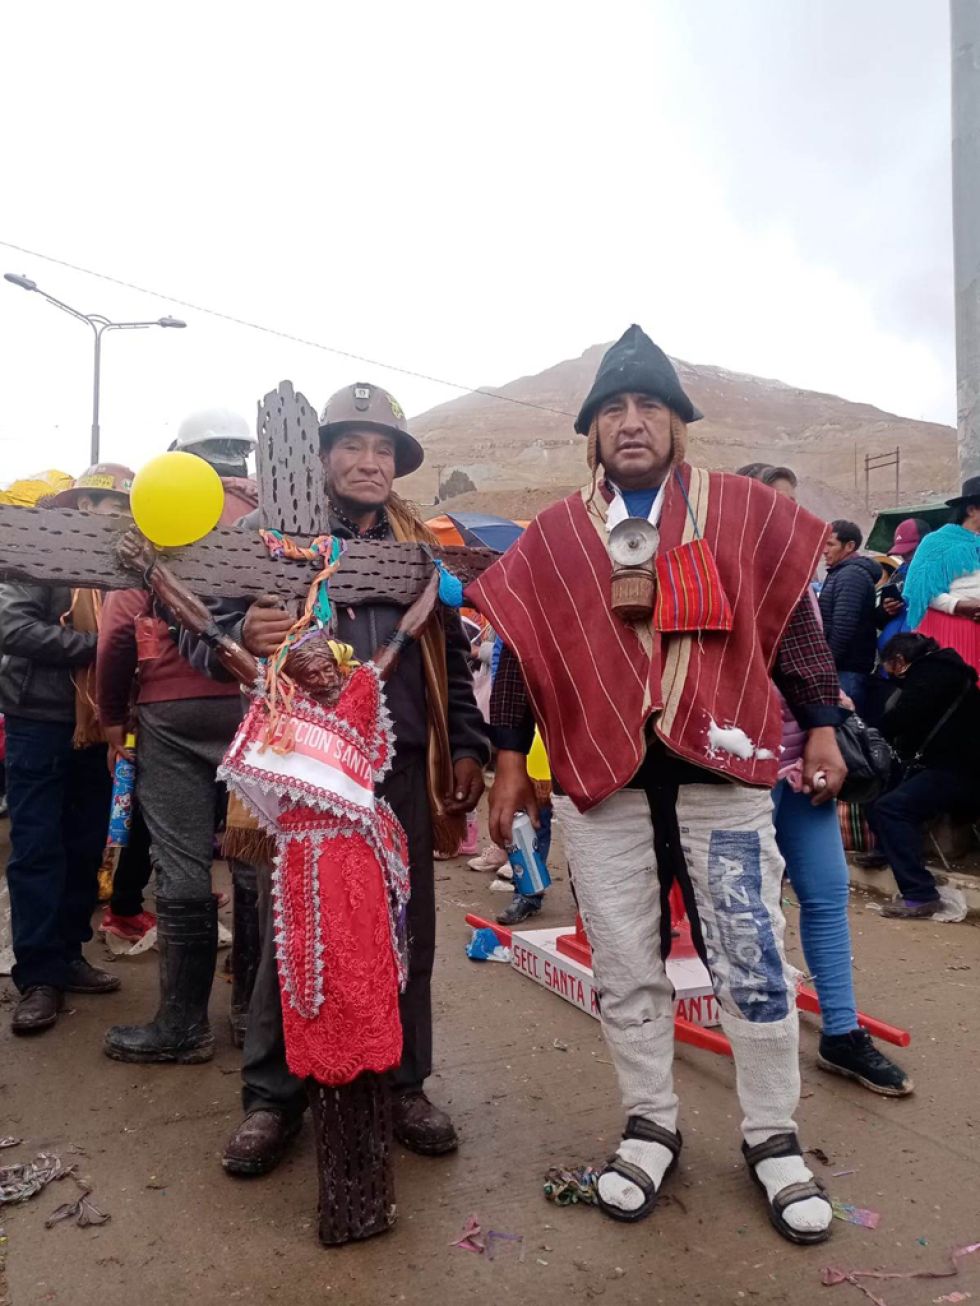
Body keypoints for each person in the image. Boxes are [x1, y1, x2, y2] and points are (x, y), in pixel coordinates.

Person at [471, 325, 846, 1245]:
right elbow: (523, 655)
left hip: (722, 774)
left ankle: (772, 1135)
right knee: (625, 966)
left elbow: (792, 627)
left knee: (752, 960)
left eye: (649, 407)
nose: (631, 422)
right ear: (591, 432)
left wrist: (823, 724)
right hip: (605, 785)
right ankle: (650, 1124)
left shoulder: (744, 512)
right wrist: (511, 761)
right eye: (612, 410)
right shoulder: (557, 535)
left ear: (680, 424)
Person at [185, 382, 488, 1171]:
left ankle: (403, 1084)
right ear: (320, 456)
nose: (368, 462)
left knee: (407, 930)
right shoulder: (263, 535)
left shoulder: (417, 549)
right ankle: (273, 1096)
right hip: (299, 777)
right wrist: (244, 626)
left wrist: (468, 746)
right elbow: (197, 637)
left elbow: (451, 661)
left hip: (396, 767)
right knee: (290, 936)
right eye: (352, 445)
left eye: (383, 449)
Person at [738, 466, 910, 1095]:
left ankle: (840, 1030)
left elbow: (815, 670)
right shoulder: (713, 578)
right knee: (745, 909)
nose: (783, 517)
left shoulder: (802, 586)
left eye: (791, 506)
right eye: (770, 503)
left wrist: (830, 719)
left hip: (802, 766)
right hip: (735, 773)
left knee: (826, 893)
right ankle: (754, 1034)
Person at [0, 466, 133, 1035]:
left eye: (125, 508)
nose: (116, 516)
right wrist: (98, 647)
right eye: (107, 505)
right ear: (81, 506)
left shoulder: (127, 569)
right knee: (37, 848)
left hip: (100, 726)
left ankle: (69, 954)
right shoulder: (40, 552)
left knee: (85, 846)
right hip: (38, 720)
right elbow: (10, 627)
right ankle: (38, 976)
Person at [867, 632, 980, 919]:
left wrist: (868, 732)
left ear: (899, 661)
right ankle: (884, 851)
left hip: (958, 771)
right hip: (957, 767)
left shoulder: (928, 677)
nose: (892, 677)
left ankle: (919, 894)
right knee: (892, 793)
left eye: (890, 670)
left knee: (891, 807)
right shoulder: (947, 671)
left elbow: (901, 718)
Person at [902, 478, 980, 673]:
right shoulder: (936, 543)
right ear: (972, 510)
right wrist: (958, 606)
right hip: (950, 633)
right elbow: (919, 589)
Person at [818, 521, 881, 716]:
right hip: (843, 668)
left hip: (846, 670)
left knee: (843, 726)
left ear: (849, 546)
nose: (824, 550)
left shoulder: (851, 575)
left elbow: (843, 627)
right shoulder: (841, 572)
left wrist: (824, 666)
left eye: (830, 544)